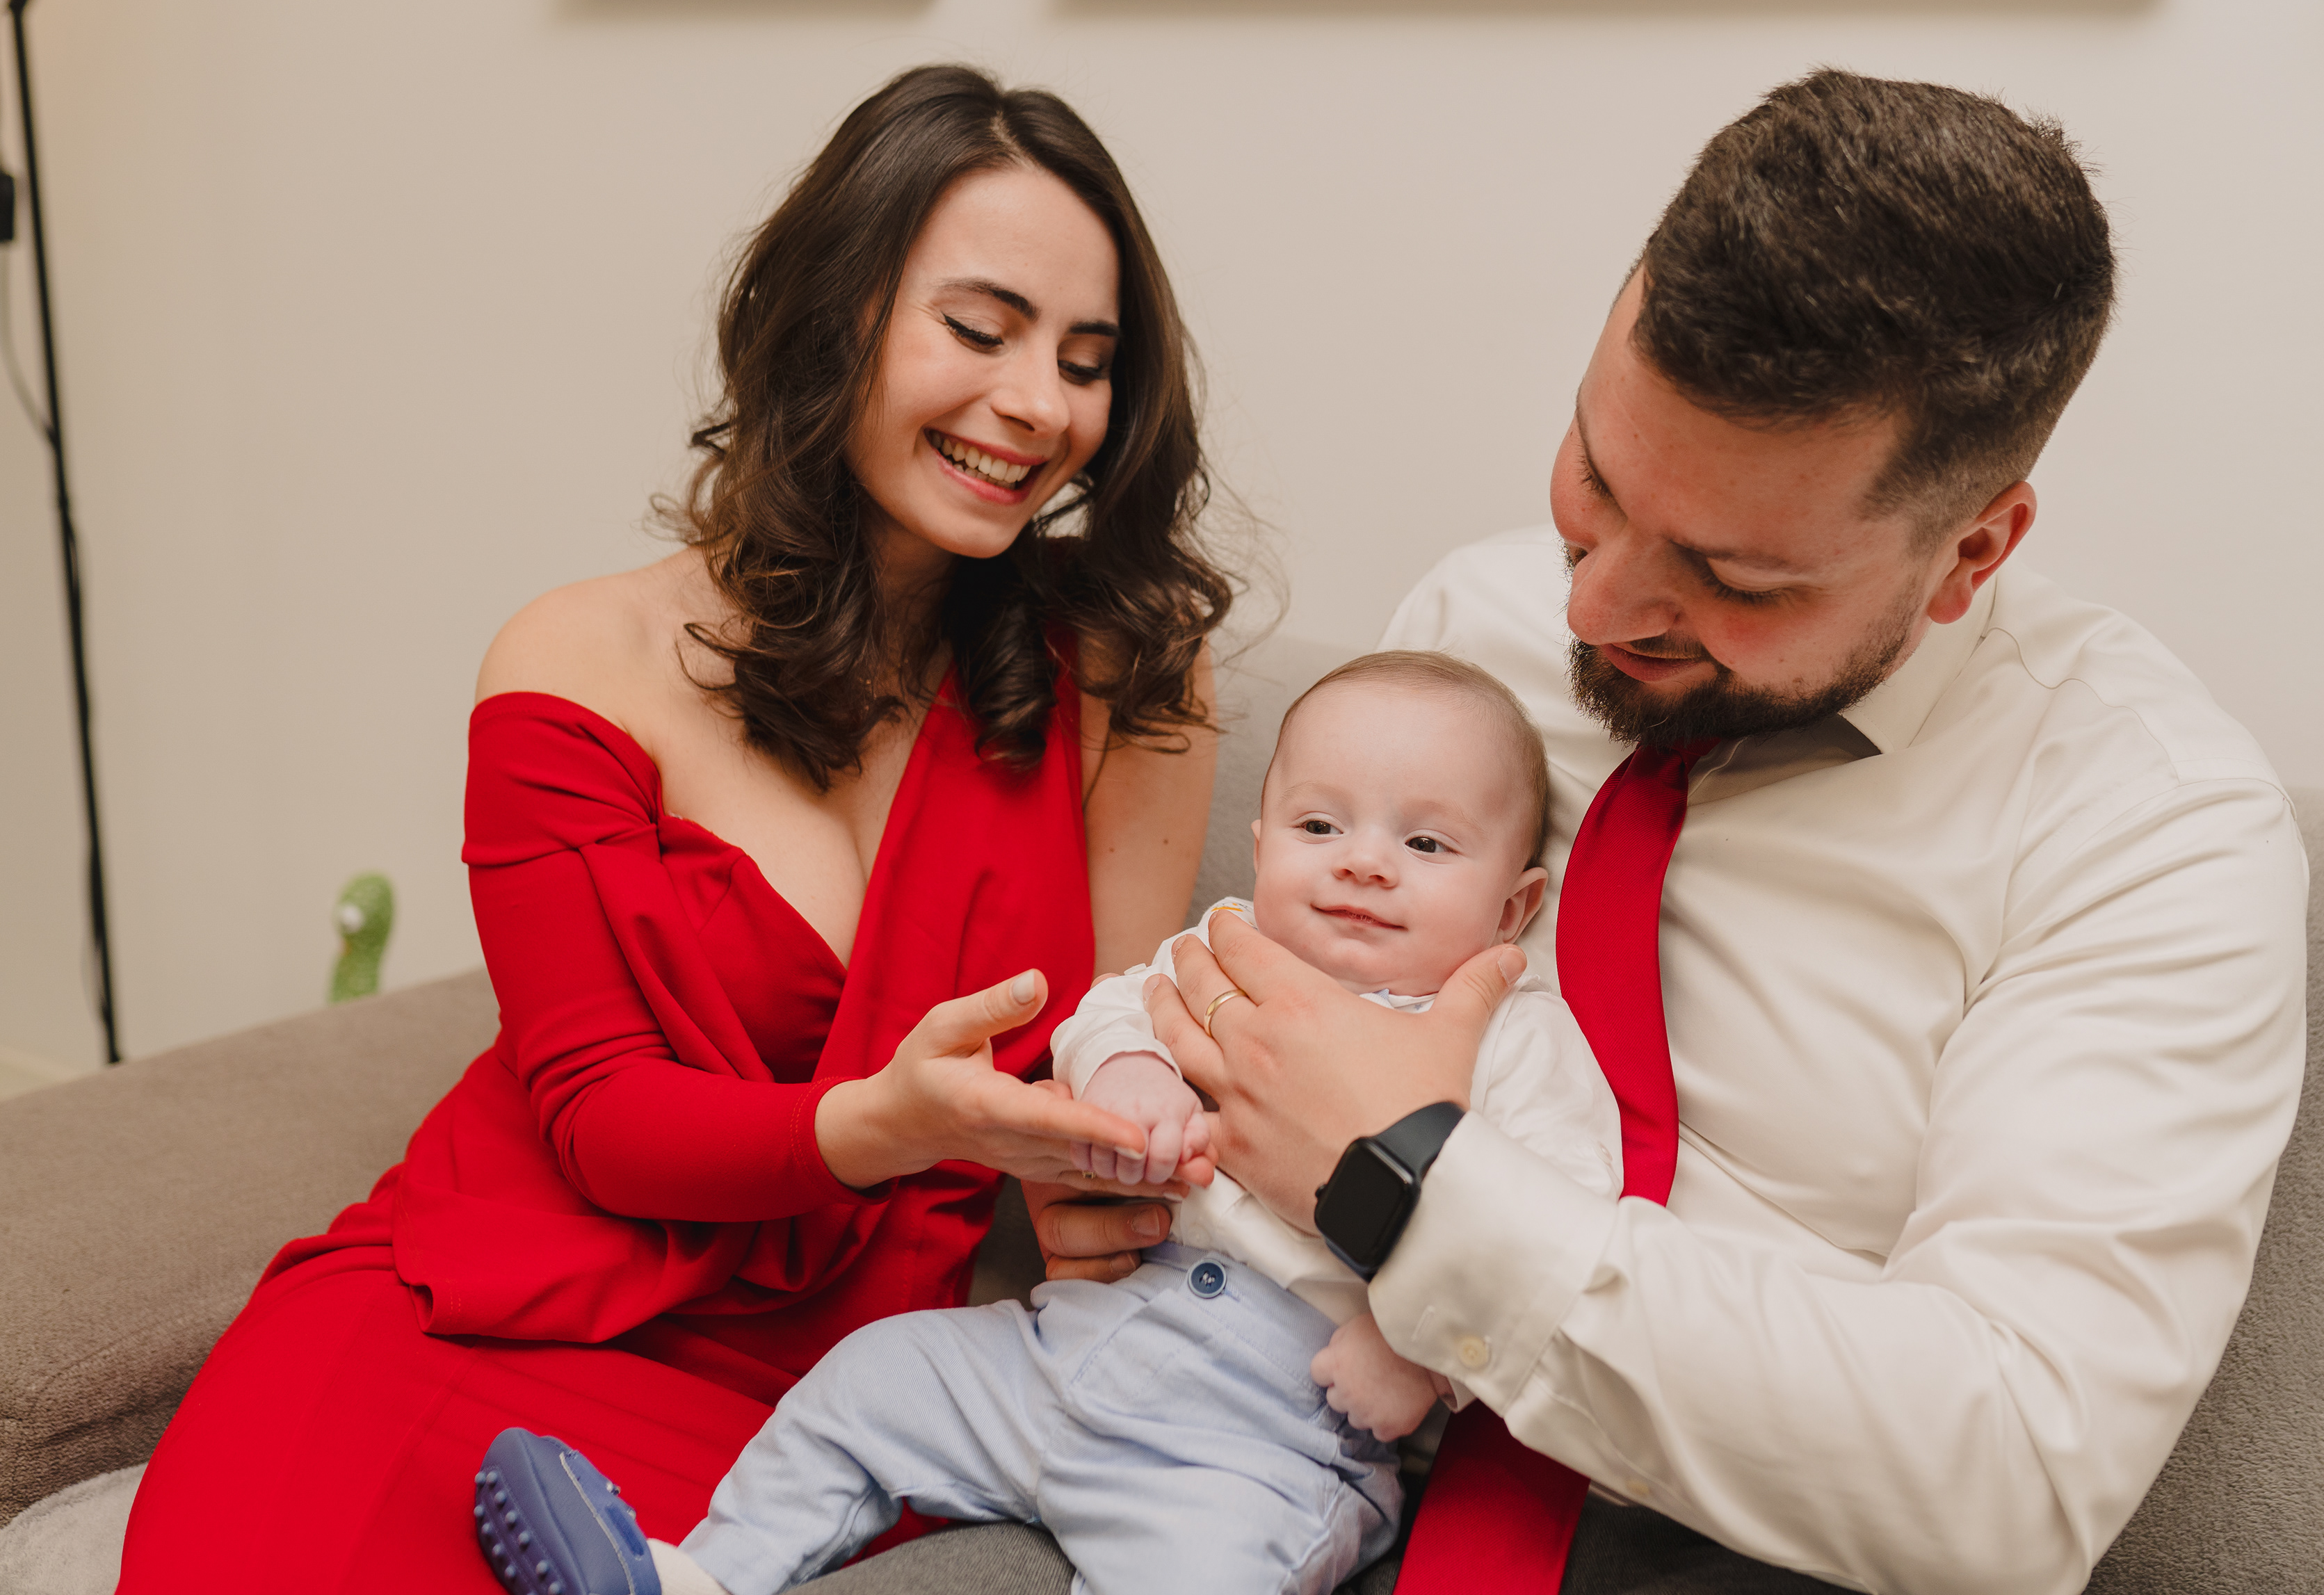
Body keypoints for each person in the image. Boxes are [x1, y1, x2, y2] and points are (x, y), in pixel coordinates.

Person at [1031, 70, 2311, 1595]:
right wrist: (1134, 1158)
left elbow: (2012, 1475)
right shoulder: (1475, 624)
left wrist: (1422, 1192)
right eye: (1595, 474)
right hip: (1300, 1455)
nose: (1591, 605)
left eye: (1731, 578)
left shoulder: (2148, 828)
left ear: (1972, 550)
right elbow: (1288, 1024)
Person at [117, 65, 1234, 1594]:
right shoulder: (578, 659)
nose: (1041, 402)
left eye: (1087, 361)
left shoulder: (1123, 675)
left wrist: (1097, 1170)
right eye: (981, 330)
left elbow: (1117, 1045)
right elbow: (596, 1114)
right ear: (837, 315)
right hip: (478, 1321)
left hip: (829, 1404)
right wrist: (894, 1126)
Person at [470, 651, 1623, 1595]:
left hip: (1266, 1435)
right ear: (1263, 847)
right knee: (869, 1383)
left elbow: (1552, 1223)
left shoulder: (1513, 1037)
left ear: (1514, 905)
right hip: (1061, 1345)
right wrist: (1128, 1068)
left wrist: (1417, 1348)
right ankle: (710, 1575)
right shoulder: (1222, 949)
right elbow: (1109, 1008)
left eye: (1425, 845)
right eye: (1321, 826)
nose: (1364, 864)